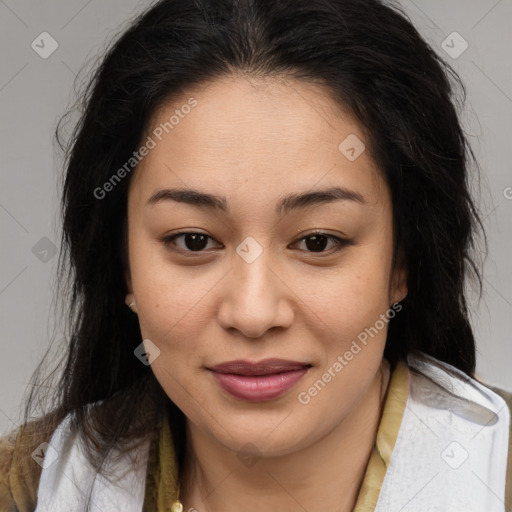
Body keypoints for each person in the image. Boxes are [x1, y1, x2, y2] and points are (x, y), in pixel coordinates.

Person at [1, 0, 510, 510]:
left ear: (403, 262)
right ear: (124, 265)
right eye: (194, 241)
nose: (253, 313)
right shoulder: (27, 486)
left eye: (317, 241)